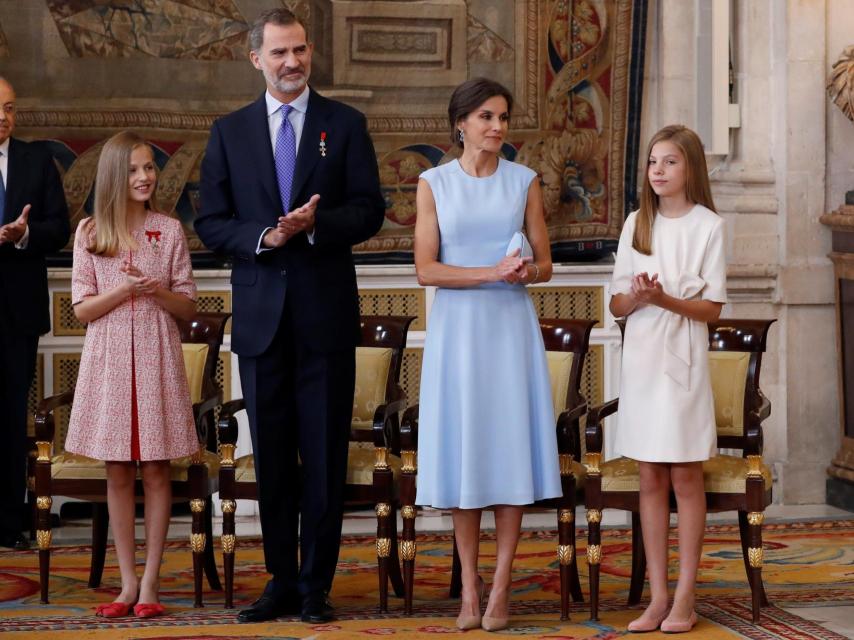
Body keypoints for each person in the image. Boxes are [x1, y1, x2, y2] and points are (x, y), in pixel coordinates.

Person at [195, 8, 385, 624]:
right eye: (279, 53)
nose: (292, 62)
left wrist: (315, 226)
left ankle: (314, 588)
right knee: (273, 458)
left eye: (299, 50)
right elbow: (211, 222)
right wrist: (266, 237)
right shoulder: (229, 131)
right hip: (260, 321)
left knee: (323, 457)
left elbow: (369, 211)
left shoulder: (345, 124)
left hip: (325, 317)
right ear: (256, 59)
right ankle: (278, 580)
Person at [414, 77, 562, 632]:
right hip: (458, 333)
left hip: (508, 329)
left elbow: (546, 263)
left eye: (503, 116)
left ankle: (500, 590)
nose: (498, 126)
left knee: (506, 452)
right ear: (461, 122)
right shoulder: (434, 183)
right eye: (486, 117)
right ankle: (469, 592)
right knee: (466, 454)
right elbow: (426, 269)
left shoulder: (524, 181)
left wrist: (526, 271)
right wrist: (489, 273)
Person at [65, 131, 199, 618]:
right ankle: (125, 583)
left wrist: (155, 291)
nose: (145, 177)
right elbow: (82, 310)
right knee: (117, 472)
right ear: (114, 176)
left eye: (149, 168)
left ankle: (151, 584)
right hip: (109, 363)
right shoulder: (90, 233)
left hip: (158, 356)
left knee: (158, 470)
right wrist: (123, 290)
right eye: (135, 169)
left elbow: (187, 305)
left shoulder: (168, 229)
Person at [609, 124, 727, 634]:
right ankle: (656, 598)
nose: (658, 171)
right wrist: (636, 298)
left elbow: (712, 309)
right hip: (641, 360)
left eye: (670, 162)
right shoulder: (638, 222)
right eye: (653, 162)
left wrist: (664, 299)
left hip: (682, 364)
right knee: (650, 476)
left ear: (690, 168)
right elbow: (615, 304)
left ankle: (685, 598)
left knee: (684, 475)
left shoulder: (708, 226)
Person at [0, 76, 70, 550]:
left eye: (9, 107)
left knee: (9, 417)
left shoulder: (34, 160)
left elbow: (59, 228)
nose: (3, 117)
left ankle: (8, 523)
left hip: (16, 311)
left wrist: (22, 236)